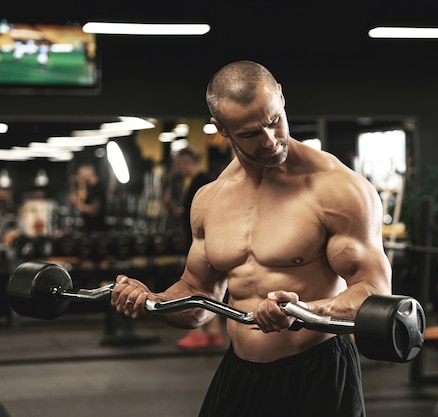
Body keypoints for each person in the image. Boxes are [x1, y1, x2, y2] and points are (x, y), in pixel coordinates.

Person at [110, 60, 392, 417]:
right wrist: (153, 300)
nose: (270, 140)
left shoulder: (338, 189)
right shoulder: (210, 199)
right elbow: (198, 296)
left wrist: (303, 311)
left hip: (317, 370)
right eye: (250, 134)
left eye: (274, 121)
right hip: (240, 370)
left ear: (281, 98)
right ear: (221, 129)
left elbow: (375, 292)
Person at [169, 147, 225, 349]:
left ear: (185, 161)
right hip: (197, 242)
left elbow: (211, 216)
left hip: (202, 245)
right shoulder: (194, 183)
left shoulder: (204, 182)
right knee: (210, 291)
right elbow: (189, 216)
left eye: (178, 165)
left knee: (196, 288)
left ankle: (198, 333)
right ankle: (214, 333)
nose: (178, 169)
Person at [70, 163, 107, 232]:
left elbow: (93, 211)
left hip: (96, 231)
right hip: (88, 229)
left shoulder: (98, 188)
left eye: (80, 174)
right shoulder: (89, 188)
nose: (79, 177)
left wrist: (78, 204)